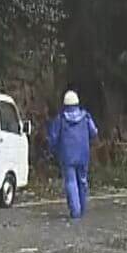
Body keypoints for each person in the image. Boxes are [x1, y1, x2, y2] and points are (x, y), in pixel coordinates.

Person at [45, 89, 99, 220]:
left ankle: (75, 211)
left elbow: (53, 137)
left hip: (67, 156)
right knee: (83, 181)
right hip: (83, 155)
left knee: (71, 182)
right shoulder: (86, 117)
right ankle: (82, 209)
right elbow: (94, 132)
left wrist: (52, 149)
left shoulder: (61, 119)